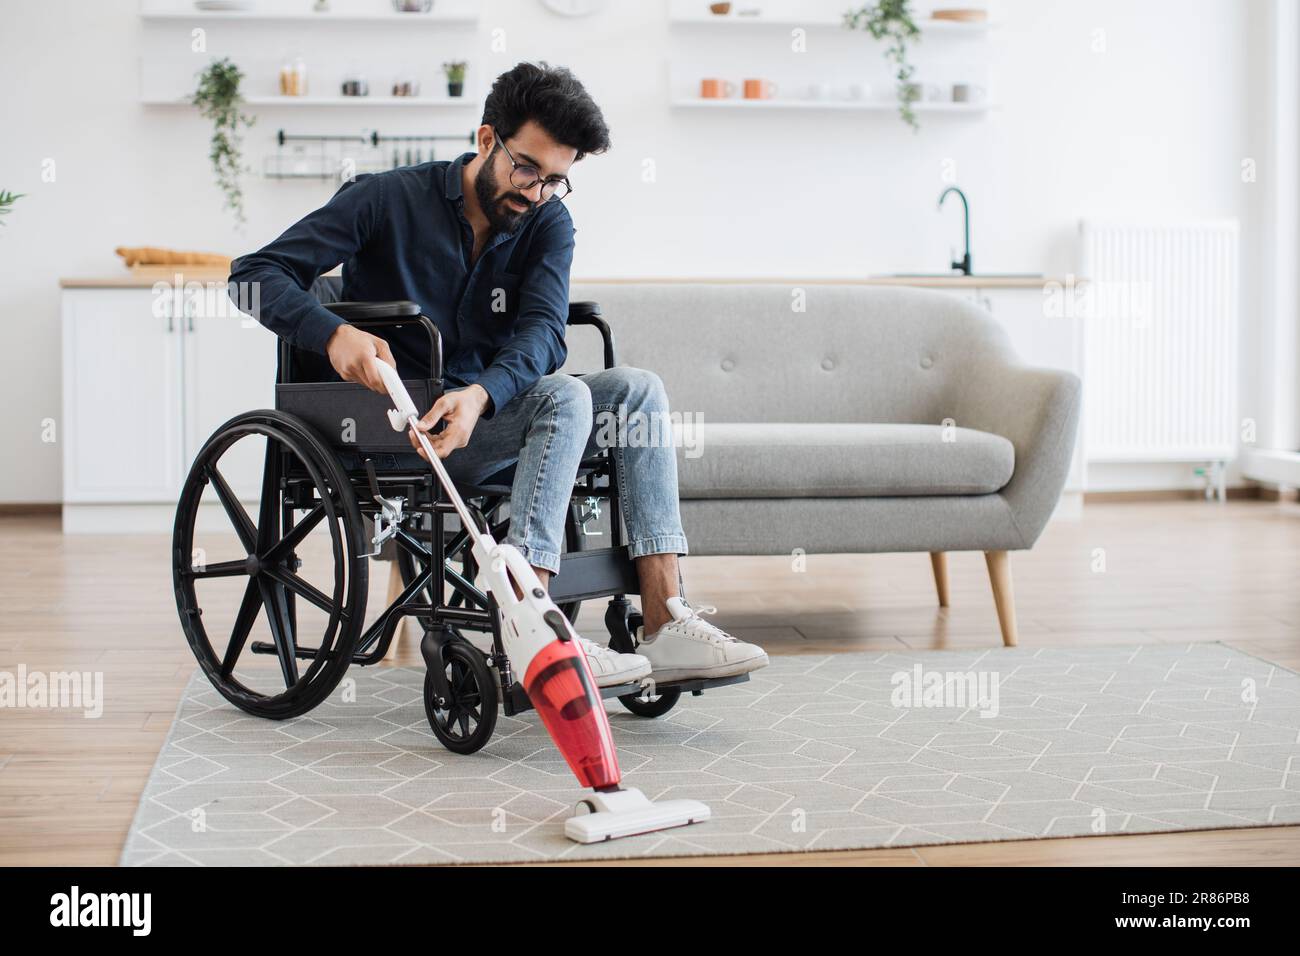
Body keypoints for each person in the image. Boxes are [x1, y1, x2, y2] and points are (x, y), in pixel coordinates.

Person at [230, 62, 767, 687]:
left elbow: (543, 333)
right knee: (563, 399)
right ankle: (532, 627)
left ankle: (664, 621)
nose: (536, 191)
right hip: (396, 427)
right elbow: (251, 276)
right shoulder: (385, 199)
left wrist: (481, 396)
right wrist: (332, 332)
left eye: (555, 180)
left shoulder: (546, 222)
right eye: (526, 168)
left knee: (637, 389)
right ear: (487, 139)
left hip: (485, 418)